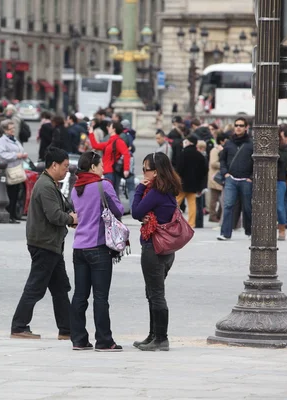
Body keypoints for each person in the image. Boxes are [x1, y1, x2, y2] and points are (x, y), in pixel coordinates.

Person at [11, 148, 77, 340]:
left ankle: (66, 330)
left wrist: (70, 217)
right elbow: (55, 215)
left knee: (60, 288)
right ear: (54, 165)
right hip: (44, 243)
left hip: (51, 243)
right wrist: (71, 218)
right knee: (35, 287)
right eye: (64, 166)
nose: (66, 170)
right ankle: (19, 326)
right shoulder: (46, 186)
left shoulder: (50, 183)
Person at [70, 151, 124, 352]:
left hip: (79, 247)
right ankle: (103, 340)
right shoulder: (104, 185)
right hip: (99, 247)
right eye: (101, 165)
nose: (103, 169)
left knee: (80, 295)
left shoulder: (76, 188)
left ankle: (79, 339)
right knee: (100, 297)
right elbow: (118, 210)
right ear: (93, 167)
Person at [131, 152, 182, 352]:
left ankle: (161, 338)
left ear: (157, 171)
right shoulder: (168, 191)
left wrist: (138, 189)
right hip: (166, 249)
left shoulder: (155, 193)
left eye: (146, 169)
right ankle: (153, 335)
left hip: (154, 248)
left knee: (156, 294)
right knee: (152, 292)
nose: (144, 173)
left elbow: (135, 212)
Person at [217, 117, 254, 241]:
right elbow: (222, 159)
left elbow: (257, 162)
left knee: (248, 207)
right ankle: (225, 233)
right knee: (227, 206)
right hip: (231, 179)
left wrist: (251, 177)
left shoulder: (251, 143)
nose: (238, 127)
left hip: (246, 180)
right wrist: (225, 173)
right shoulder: (229, 143)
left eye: (241, 125)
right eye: (236, 125)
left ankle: (249, 231)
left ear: (246, 127)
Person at [88, 121, 131, 196]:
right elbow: (95, 145)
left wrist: (126, 169)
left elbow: (126, 154)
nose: (108, 127)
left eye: (110, 126)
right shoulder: (111, 141)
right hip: (108, 171)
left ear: (114, 129)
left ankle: (116, 208)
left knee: (111, 194)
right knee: (110, 194)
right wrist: (91, 132)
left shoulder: (118, 141)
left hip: (112, 171)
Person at [0, 119, 27, 224]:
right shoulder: (2, 140)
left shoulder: (14, 139)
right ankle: (10, 214)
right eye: (10, 129)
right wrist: (16, 155)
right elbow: (1, 154)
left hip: (17, 168)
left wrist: (22, 154)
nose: (13, 130)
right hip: (9, 169)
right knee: (11, 192)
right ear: (5, 130)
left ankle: (14, 214)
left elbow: (19, 149)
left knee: (16, 192)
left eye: (13, 128)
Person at [176, 135, 208, 228]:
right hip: (194, 184)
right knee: (192, 204)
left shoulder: (183, 153)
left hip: (182, 183)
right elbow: (204, 171)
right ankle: (191, 223)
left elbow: (179, 169)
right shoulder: (200, 155)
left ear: (189, 142)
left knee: (176, 202)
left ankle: (169, 219)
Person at [208, 133, 227, 223]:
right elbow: (213, 163)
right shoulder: (215, 150)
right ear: (221, 141)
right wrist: (225, 165)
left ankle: (218, 215)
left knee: (221, 199)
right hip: (215, 177)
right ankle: (212, 215)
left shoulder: (223, 149)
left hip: (220, 177)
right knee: (214, 199)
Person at [277, 130, 287, 240]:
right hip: (263, 180)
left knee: (279, 207)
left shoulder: (283, 148)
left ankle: (282, 228)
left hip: (279, 179)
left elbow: (284, 161)